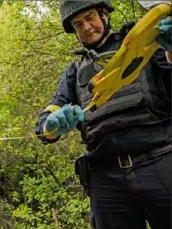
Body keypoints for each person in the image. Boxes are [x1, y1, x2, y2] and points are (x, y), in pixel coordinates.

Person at [34, 1, 172, 229]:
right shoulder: (73, 74)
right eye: (78, 24)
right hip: (107, 181)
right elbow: (44, 122)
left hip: (160, 163)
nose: (86, 27)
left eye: (90, 18)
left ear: (105, 15)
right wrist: (50, 127)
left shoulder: (146, 47)